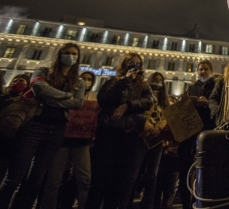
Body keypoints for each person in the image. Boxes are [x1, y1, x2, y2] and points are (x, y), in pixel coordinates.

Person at [0, 43, 85, 209]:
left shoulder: (79, 81)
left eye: (74, 53)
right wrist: (67, 96)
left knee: (36, 179)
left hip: (56, 130)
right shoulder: (43, 71)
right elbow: (38, 88)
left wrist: (49, 96)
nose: (70, 56)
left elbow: (78, 103)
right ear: (59, 54)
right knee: (14, 177)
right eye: (67, 52)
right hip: (34, 125)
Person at [86, 53, 153, 209]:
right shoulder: (113, 82)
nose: (134, 66)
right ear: (124, 65)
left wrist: (128, 105)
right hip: (109, 132)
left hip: (130, 135)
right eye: (131, 63)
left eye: (137, 63)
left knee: (120, 181)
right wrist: (124, 81)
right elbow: (103, 99)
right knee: (100, 179)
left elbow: (149, 101)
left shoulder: (143, 86)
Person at [41, 71, 98, 209]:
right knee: (54, 179)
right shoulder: (67, 95)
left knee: (85, 180)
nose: (85, 81)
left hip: (83, 143)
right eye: (83, 78)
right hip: (62, 141)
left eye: (89, 79)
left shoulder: (96, 99)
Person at [177, 60, 217, 209]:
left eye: (206, 69)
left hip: (207, 131)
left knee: (205, 170)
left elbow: (217, 108)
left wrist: (207, 104)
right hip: (190, 133)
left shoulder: (215, 87)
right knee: (186, 171)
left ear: (211, 71)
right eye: (200, 69)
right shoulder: (192, 87)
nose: (202, 72)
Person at [132, 72, 169, 209]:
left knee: (152, 175)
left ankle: (148, 204)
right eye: (155, 79)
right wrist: (148, 127)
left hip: (157, 140)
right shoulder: (144, 94)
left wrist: (158, 129)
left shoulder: (164, 99)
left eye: (160, 80)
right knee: (134, 173)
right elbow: (139, 113)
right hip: (142, 136)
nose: (158, 82)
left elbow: (166, 116)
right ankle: (127, 202)